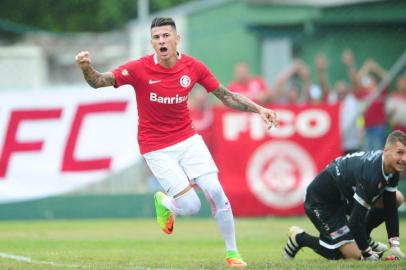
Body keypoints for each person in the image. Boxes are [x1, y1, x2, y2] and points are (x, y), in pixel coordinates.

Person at [75, 17, 277, 268]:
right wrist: (86, 68)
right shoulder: (139, 68)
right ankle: (166, 202)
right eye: (157, 38)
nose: (161, 41)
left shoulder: (193, 67)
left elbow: (225, 96)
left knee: (215, 191)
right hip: (156, 147)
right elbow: (99, 81)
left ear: (176, 39)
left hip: (188, 139)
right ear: (152, 43)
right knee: (191, 206)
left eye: (166, 36)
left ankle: (232, 253)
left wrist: (259, 109)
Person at [284, 130, 406, 261]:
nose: (404, 159)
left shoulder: (391, 167)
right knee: (353, 256)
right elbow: (355, 221)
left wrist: (395, 246)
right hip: (320, 201)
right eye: (400, 152)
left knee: (396, 198)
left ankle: (364, 239)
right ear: (386, 150)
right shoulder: (371, 175)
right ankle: (299, 238)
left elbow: (390, 204)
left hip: (344, 196)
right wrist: (367, 253)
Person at [315, 53, 361, 154]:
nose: (340, 90)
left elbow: (355, 82)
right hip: (335, 144)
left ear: (348, 90)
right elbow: (324, 86)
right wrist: (320, 70)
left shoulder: (352, 99)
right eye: (338, 88)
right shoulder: (333, 99)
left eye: (343, 87)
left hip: (352, 144)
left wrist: (350, 65)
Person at [343, 50, 388, 151]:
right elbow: (356, 81)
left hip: (379, 127)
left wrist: (375, 67)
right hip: (366, 128)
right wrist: (366, 68)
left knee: (379, 153)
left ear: (375, 82)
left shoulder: (381, 90)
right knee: (368, 155)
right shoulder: (362, 93)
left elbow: (387, 78)